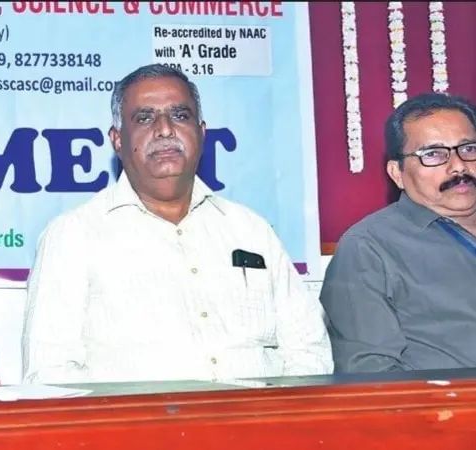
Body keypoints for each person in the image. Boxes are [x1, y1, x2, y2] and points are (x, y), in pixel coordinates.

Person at [22, 64, 332, 384]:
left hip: (260, 413)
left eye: (180, 115)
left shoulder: (251, 230)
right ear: (117, 140)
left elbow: (309, 349)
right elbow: (51, 373)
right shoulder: (73, 235)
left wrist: (277, 412)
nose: (165, 129)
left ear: (201, 132)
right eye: (145, 118)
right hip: (136, 417)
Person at [321, 92, 476, 373]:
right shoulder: (369, 247)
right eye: (433, 154)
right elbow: (370, 371)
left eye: (468, 148)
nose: (459, 166)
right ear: (397, 173)